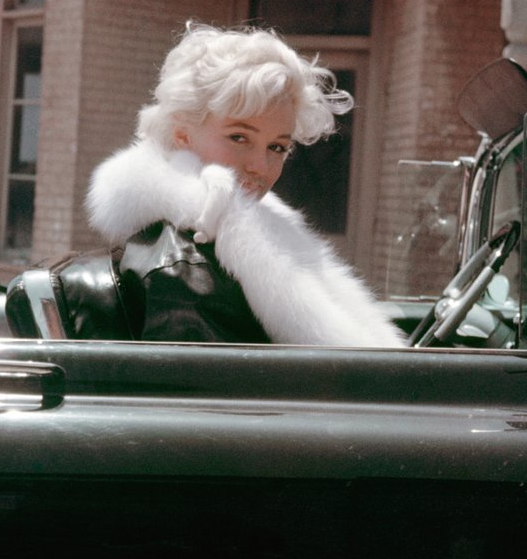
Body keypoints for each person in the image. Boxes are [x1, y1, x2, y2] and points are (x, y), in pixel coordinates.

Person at [85, 23, 404, 346]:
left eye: (277, 147)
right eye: (239, 137)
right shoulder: (187, 272)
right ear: (182, 134)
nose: (259, 166)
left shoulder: (246, 236)